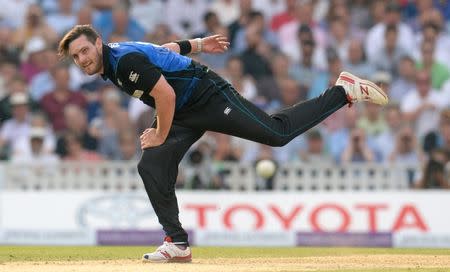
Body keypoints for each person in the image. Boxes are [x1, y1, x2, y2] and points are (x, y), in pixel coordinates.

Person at [58, 24, 388, 263]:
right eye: (76, 57)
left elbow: (165, 94)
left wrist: (159, 133)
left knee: (276, 134)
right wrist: (198, 43)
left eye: (85, 50)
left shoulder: (124, 62)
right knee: (152, 164)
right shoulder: (117, 57)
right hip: (184, 111)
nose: (83, 59)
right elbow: (163, 52)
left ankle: (342, 90)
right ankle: (176, 242)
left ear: (98, 43)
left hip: (207, 96)